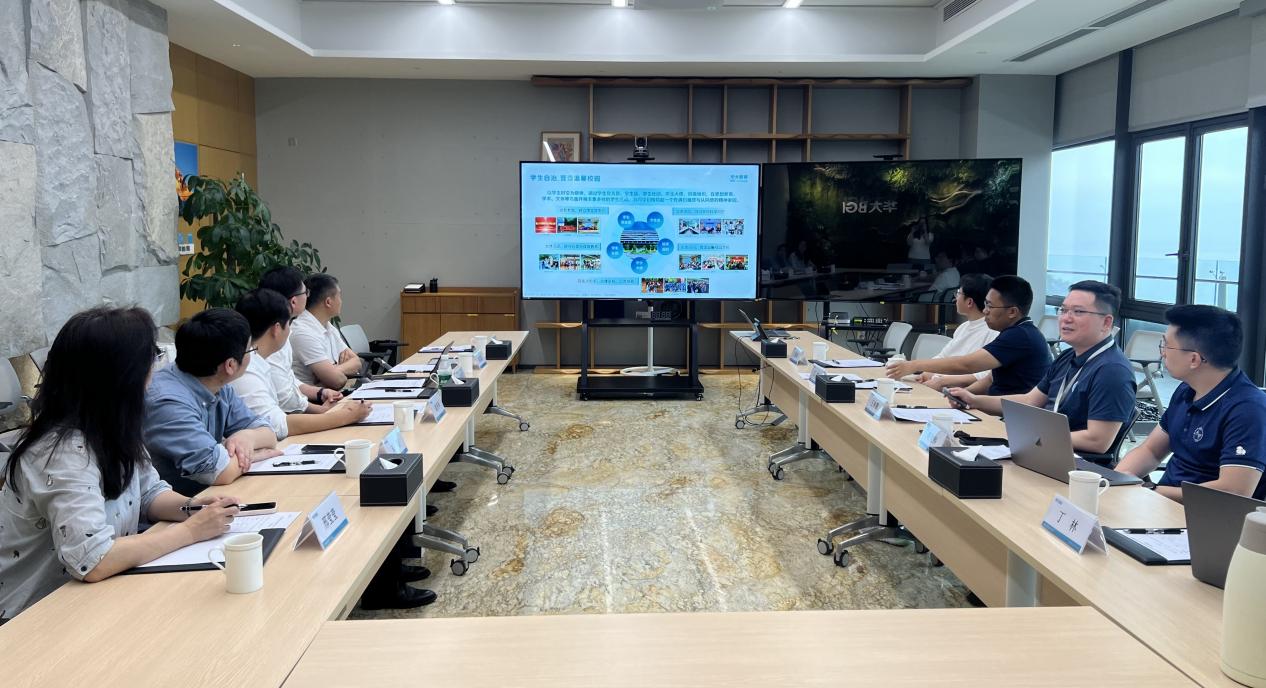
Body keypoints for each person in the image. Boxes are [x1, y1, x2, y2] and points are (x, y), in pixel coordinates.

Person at [0, 307, 241, 621]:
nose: (155, 371)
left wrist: (193, 508)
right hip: (31, 615)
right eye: (151, 359)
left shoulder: (112, 426)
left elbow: (148, 493)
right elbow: (92, 559)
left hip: (93, 598)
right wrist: (191, 531)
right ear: (121, 377)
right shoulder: (61, 452)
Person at [944, 281, 1136, 454]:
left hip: (1078, 464)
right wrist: (974, 400)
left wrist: (1035, 438)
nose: (1066, 318)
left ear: (1106, 322)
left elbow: (1098, 441)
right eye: (1063, 310)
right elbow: (1030, 400)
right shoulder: (1068, 356)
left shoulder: (1112, 370)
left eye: (1078, 312)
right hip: (1045, 449)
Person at [1117, 305, 1266, 502]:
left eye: (1166, 346)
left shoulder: (1248, 409)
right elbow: (1151, 451)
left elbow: (1234, 491)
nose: (1163, 353)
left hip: (1203, 515)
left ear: (1194, 359)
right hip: (1162, 503)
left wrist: (1151, 491)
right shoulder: (1186, 391)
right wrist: (1114, 481)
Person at [143, 308, 279, 496]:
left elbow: (269, 434)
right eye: (250, 350)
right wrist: (254, 455)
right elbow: (218, 471)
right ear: (230, 365)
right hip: (176, 508)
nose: (252, 355)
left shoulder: (217, 383)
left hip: (209, 498)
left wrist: (247, 437)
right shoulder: (167, 403)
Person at [232, 289, 373, 440]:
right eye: (289, 323)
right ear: (277, 329)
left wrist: (323, 399)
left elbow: (289, 384)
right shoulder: (246, 371)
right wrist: (347, 415)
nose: (290, 330)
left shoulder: (258, 360)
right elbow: (279, 426)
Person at [886, 275, 1050, 396]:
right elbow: (989, 380)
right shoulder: (1015, 332)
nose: (985, 310)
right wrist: (962, 397)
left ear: (1012, 312)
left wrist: (914, 365)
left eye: (990, 306)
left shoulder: (1020, 336)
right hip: (998, 408)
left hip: (1008, 417)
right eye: (985, 304)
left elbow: (966, 365)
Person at [259, 266, 344, 414]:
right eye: (306, 293)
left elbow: (290, 381)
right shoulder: (274, 337)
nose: (308, 297)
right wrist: (323, 412)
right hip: (287, 416)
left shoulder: (283, 330)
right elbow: (285, 400)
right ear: (293, 302)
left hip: (298, 408)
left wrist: (320, 392)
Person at [915, 272, 997, 390]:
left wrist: (943, 381)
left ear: (969, 302)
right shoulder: (963, 327)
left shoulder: (993, 332)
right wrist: (927, 372)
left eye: (958, 293)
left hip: (960, 392)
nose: (955, 298)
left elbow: (985, 375)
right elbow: (943, 356)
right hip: (941, 385)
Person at [290, 273, 362, 389]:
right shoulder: (302, 332)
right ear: (328, 302)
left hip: (331, 392)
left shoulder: (328, 326)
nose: (341, 301)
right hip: (313, 398)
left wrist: (333, 370)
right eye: (339, 296)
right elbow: (336, 381)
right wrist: (337, 372)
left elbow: (357, 362)